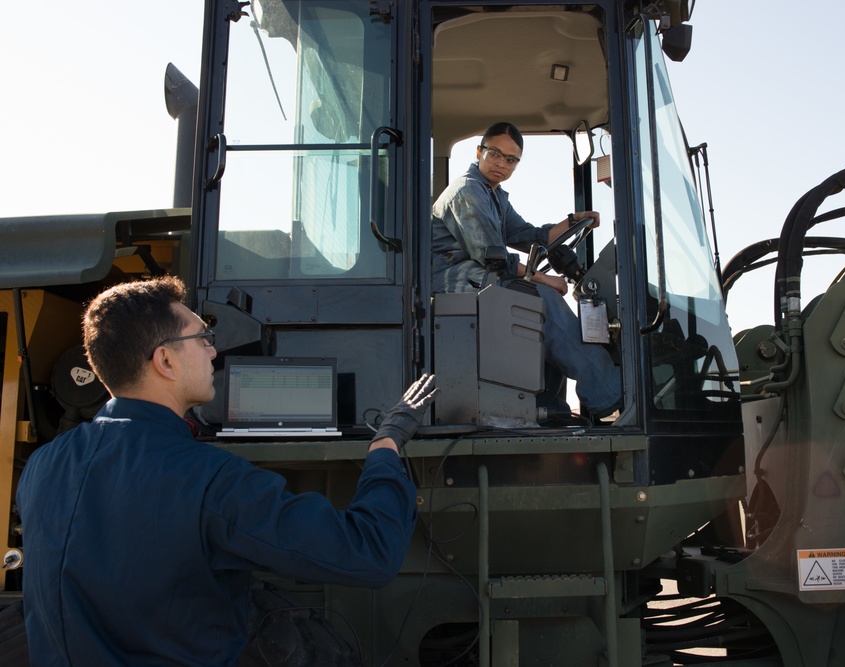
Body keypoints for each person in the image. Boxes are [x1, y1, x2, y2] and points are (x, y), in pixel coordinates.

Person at [16, 276, 436, 666]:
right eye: (203, 338)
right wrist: (386, 444)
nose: (214, 350)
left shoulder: (41, 467)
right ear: (165, 360)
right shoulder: (210, 480)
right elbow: (368, 553)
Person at [431, 121, 622, 418]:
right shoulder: (468, 191)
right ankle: (609, 394)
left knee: (541, 303)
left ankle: (549, 409)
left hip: (476, 278)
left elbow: (527, 235)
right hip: (452, 282)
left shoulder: (493, 194)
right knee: (542, 300)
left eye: (510, 160)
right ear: (479, 151)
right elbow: (491, 257)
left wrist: (572, 221)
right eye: (494, 154)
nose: (501, 164)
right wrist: (546, 279)